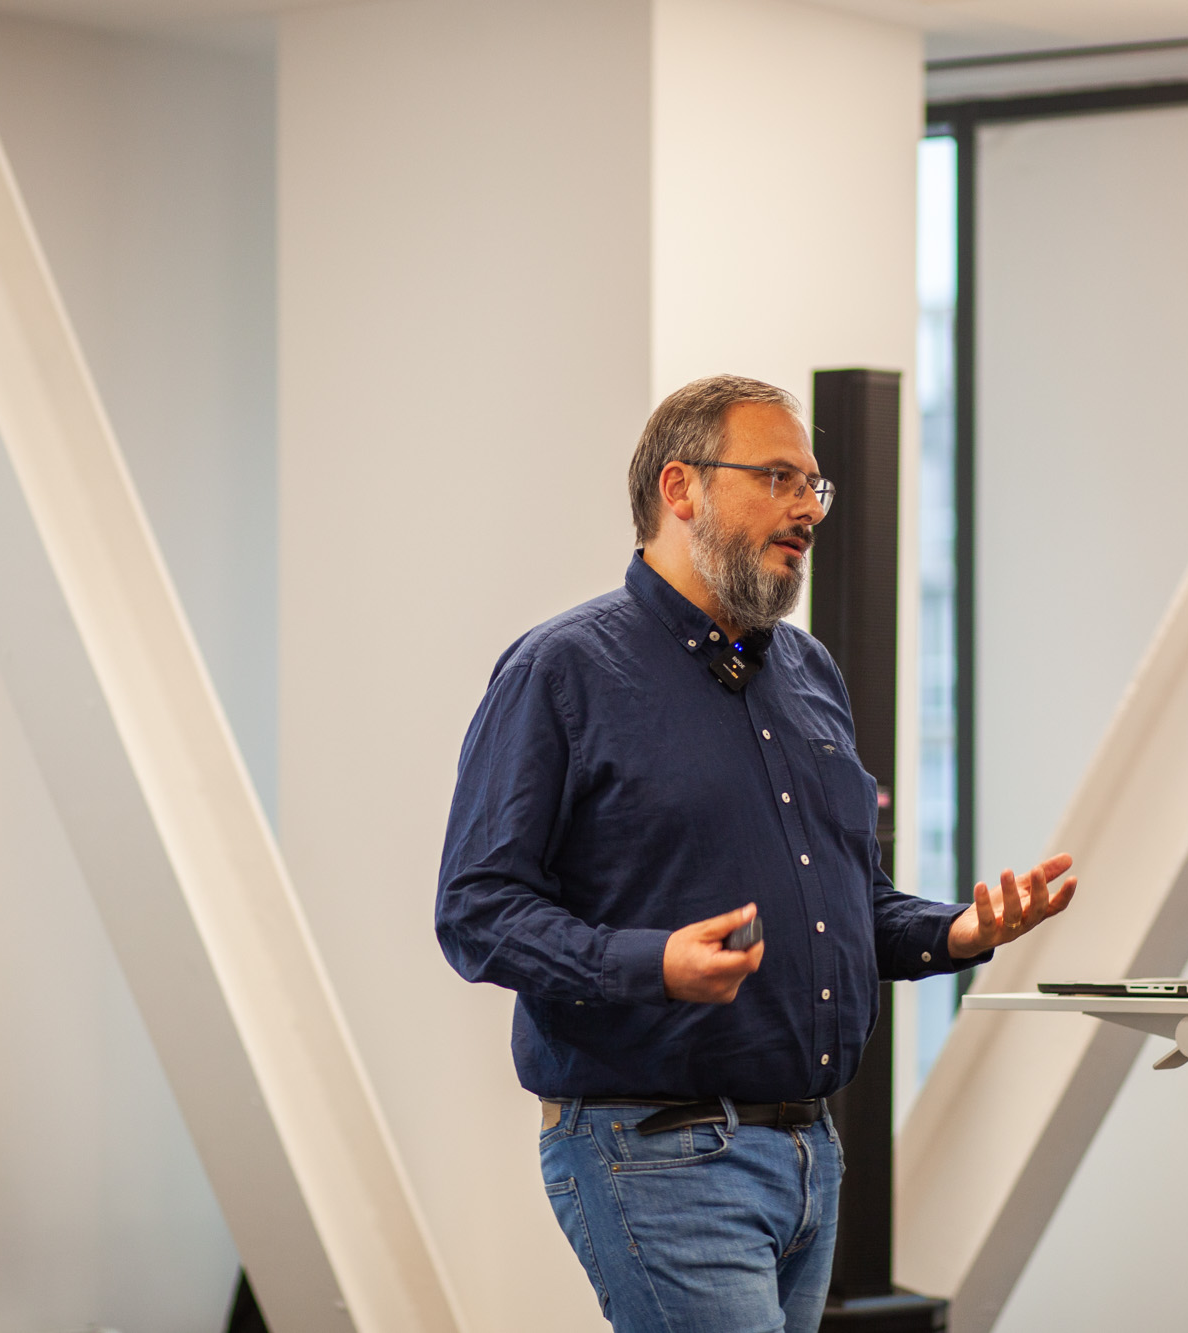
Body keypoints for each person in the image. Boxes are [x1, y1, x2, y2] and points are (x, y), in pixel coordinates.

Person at [435, 375, 1077, 1333]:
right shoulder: (560, 670)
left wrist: (957, 931)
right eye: (778, 477)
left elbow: (850, 902)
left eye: (815, 486)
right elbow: (476, 909)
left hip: (811, 1157)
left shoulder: (809, 672)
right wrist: (653, 963)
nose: (807, 508)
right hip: (657, 1151)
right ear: (680, 488)